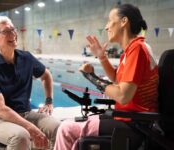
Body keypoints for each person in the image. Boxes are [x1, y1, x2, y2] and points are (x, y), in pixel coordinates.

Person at [54, 3, 158, 150]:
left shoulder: (137, 49)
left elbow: (122, 95)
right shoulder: (129, 51)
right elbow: (117, 79)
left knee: (66, 129)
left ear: (124, 22)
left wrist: (91, 78)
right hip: (128, 119)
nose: (106, 26)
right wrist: (102, 57)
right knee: (75, 134)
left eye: (110, 21)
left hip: (134, 124)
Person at [0, 16, 60, 150]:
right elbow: (0, 109)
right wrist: (31, 127)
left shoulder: (26, 58)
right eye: (6, 31)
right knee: (20, 136)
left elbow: (46, 76)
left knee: (59, 127)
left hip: (26, 114)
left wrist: (49, 101)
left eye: (13, 29)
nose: (14, 34)